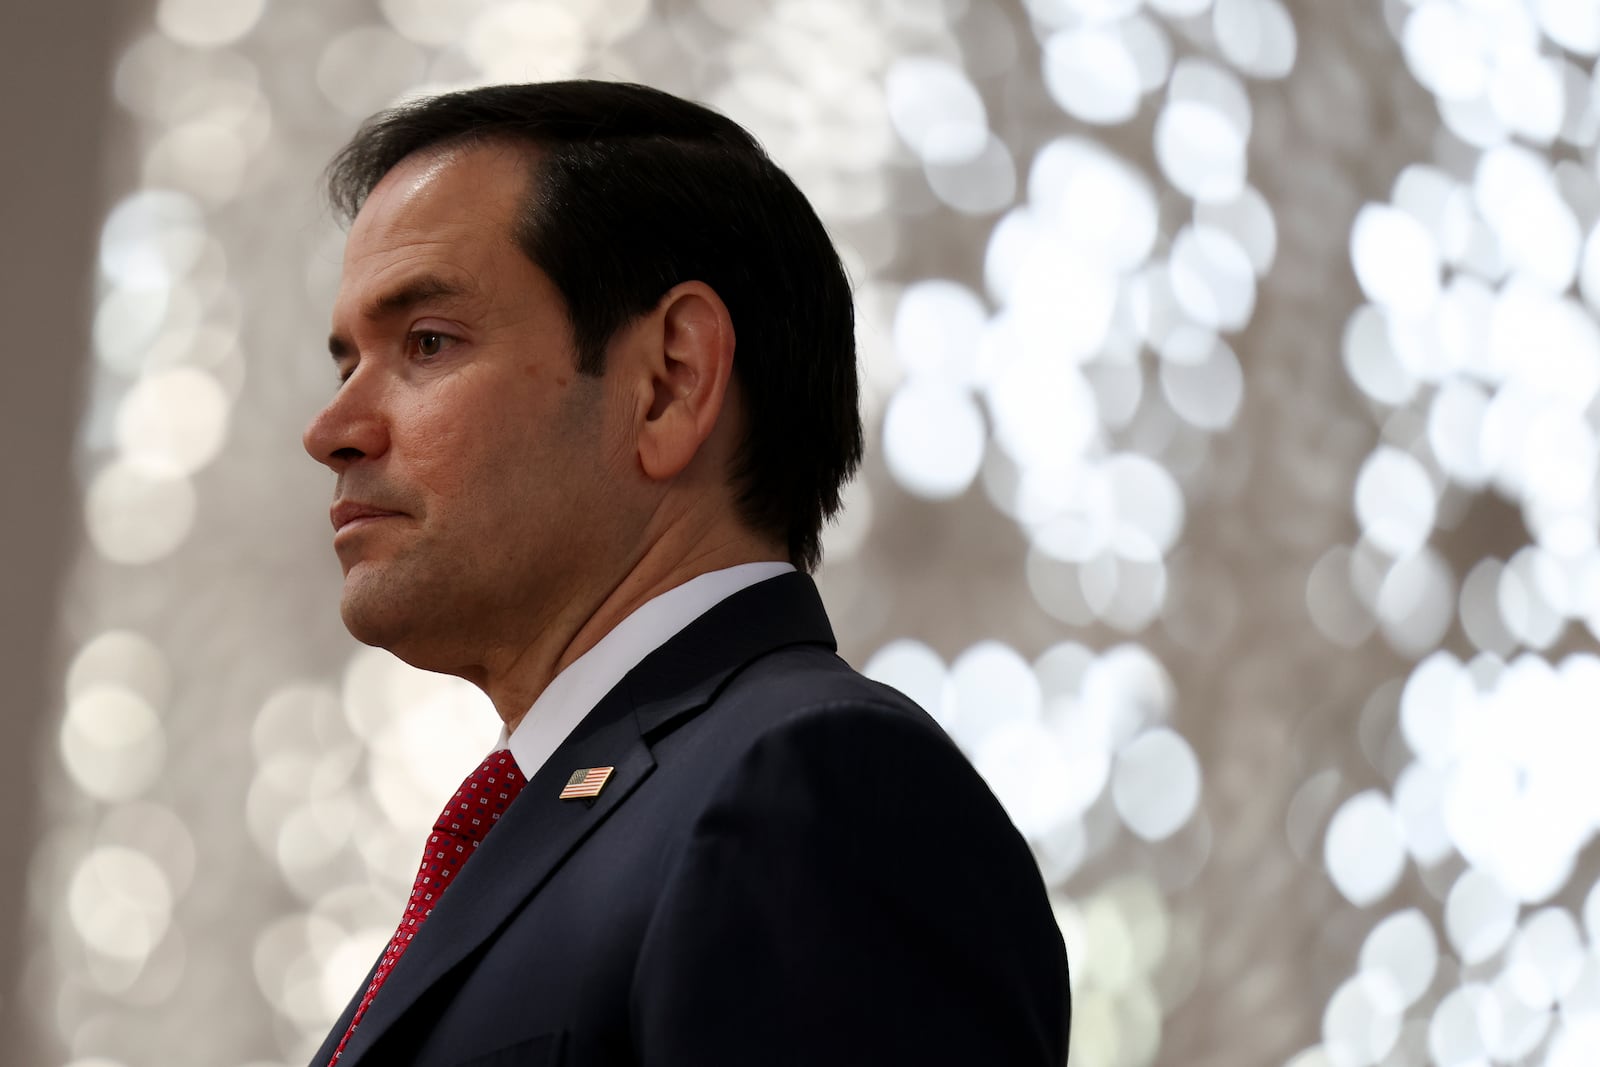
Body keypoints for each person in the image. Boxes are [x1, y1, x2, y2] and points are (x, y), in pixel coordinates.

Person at [302, 80, 1069, 1067]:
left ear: (669, 380)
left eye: (427, 343)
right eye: (344, 365)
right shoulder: (574, 814)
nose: (333, 431)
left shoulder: (819, 794)